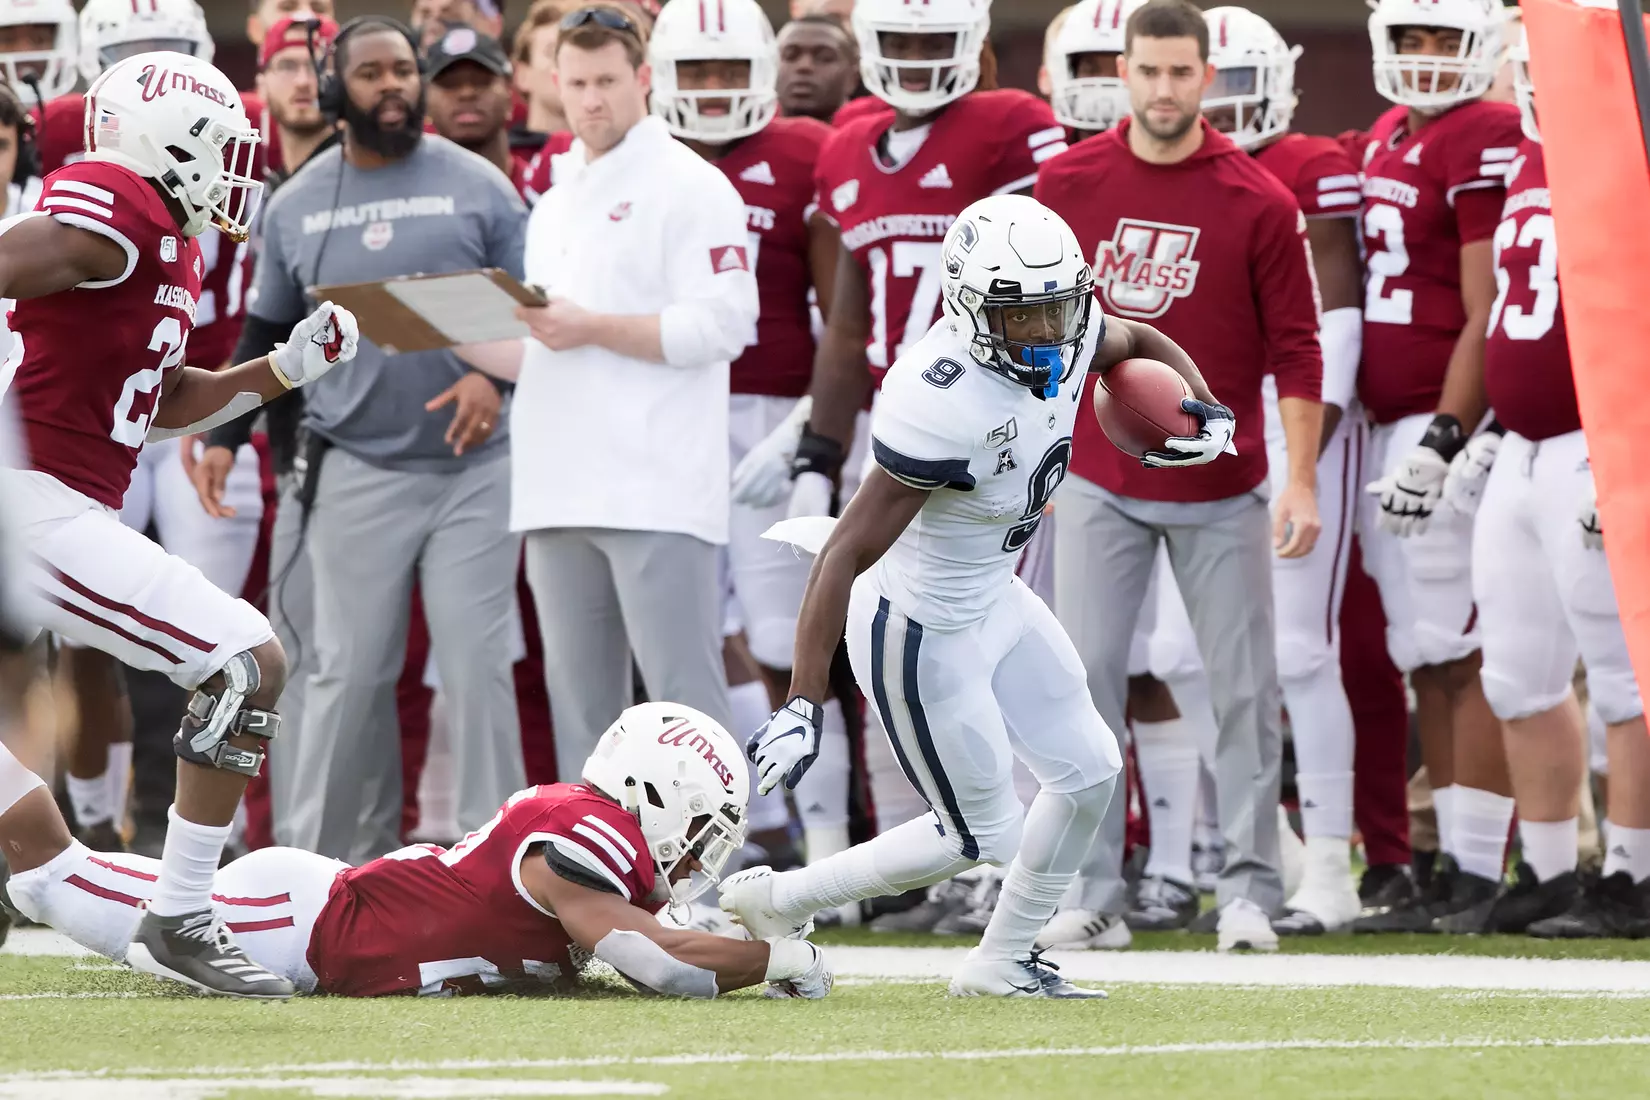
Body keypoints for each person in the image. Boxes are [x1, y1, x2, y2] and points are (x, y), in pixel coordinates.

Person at [724, 193, 1233, 997]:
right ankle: (778, 899)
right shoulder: (939, 396)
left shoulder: (1068, 326)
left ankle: (1003, 960)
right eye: (1020, 317)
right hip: (917, 624)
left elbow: (1132, 336)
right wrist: (803, 702)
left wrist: (1200, 406)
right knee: (978, 833)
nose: (1045, 334)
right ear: (968, 309)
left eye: (1057, 310)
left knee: (1092, 770)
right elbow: (846, 552)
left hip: (993, 594)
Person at [0, 50, 360, 997]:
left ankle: (24, 874)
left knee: (35, 842)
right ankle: (182, 913)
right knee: (247, 659)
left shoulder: (171, 238)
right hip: (26, 497)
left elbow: (154, 396)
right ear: (163, 142)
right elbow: (34, 257)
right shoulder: (118, 200)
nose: (239, 170)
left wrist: (279, 372)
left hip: (51, 494)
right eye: (222, 148)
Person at [1034, 0, 1324, 954]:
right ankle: (1091, 891)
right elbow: (1028, 327)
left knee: (1244, 689)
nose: (1164, 89)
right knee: (1082, 689)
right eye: (1148, 71)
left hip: (1221, 482)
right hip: (1099, 479)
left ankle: (1249, 888)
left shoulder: (1259, 200)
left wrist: (1301, 482)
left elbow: (1298, 351)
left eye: (1180, 72)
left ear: (1208, 76)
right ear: (1124, 72)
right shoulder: (1066, 182)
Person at [221, 16, 529, 862]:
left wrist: (493, 377)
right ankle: (309, 875)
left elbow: (533, 311)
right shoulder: (296, 203)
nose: (392, 84)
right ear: (335, 88)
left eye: (403, 70)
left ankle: (498, 877)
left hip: (476, 471)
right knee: (345, 677)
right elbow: (268, 330)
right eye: (371, 73)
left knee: (476, 670)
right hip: (355, 464)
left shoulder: (484, 187)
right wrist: (222, 434)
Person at [7, 702, 835, 999]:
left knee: (54, 877)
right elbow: (660, 964)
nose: (697, 856)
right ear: (657, 796)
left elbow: (663, 953)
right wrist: (780, 957)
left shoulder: (596, 835)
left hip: (326, 912)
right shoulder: (585, 831)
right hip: (296, 927)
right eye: (700, 830)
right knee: (49, 876)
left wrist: (751, 947)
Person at [463, 5, 757, 785]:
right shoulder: (556, 201)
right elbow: (547, 349)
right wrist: (431, 329)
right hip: (556, 489)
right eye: (578, 82)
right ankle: (590, 888)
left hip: (656, 487)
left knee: (685, 711)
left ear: (644, 81)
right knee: (583, 718)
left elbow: (726, 325)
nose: (592, 99)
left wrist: (590, 326)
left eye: (608, 82)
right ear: (552, 84)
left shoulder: (693, 186)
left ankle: (718, 893)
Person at [1430, 31, 1650, 938]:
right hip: (1522, 449)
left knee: (1627, 677)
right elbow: (1516, 318)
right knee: (1518, 675)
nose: (1533, 80)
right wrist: (1478, 432)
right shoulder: (1529, 156)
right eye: (1525, 64)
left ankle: (1634, 875)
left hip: (1601, 445)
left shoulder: (1628, 153)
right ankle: (1554, 871)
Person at [647, 0, 846, 861]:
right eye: (699, 72)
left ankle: (832, 838)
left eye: (732, 69)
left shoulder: (808, 152)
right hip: (666, 410)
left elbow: (844, 314)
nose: (717, 89)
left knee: (782, 634)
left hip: (771, 408)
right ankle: (756, 827)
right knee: (694, 628)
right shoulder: (638, 158)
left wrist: (809, 423)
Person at [1186, 5, 1366, 934]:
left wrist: (1305, 451)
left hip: (1294, 415)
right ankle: (1281, 852)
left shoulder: (1305, 167)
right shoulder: (1176, 174)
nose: (1226, 108)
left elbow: (1337, 322)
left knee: (1296, 651)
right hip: (1202, 422)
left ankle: (1331, 870)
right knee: (1185, 660)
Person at [1351, 0, 1523, 934]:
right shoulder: (1386, 133)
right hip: (1390, 426)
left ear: (1484, 46)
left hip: (1439, 428)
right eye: (1408, 38)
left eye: (1442, 40)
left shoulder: (1484, 132)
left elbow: (1485, 306)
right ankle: (1445, 862)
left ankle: (1474, 871)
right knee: (1425, 652)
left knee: (1464, 652)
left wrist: (1448, 432)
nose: (1422, 59)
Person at [193, 13, 342, 847]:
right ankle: (261, 831)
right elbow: (262, 325)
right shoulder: (238, 165)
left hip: (340, 446)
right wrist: (220, 434)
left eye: (313, 64)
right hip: (270, 438)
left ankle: (320, 834)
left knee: (323, 656)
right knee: (257, 644)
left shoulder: (355, 171)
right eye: (284, 62)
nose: (299, 79)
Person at [424, 26, 528, 190]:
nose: (467, 93)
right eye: (449, 83)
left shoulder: (543, 189)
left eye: (482, 81)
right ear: (425, 100)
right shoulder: (414, 201)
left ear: (509, 92)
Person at [775, 14, 858, 123]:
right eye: (790, 55)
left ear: (852, 78)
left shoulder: (877, 137)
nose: (804, 66)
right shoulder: (748, 136)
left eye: (824, 57)